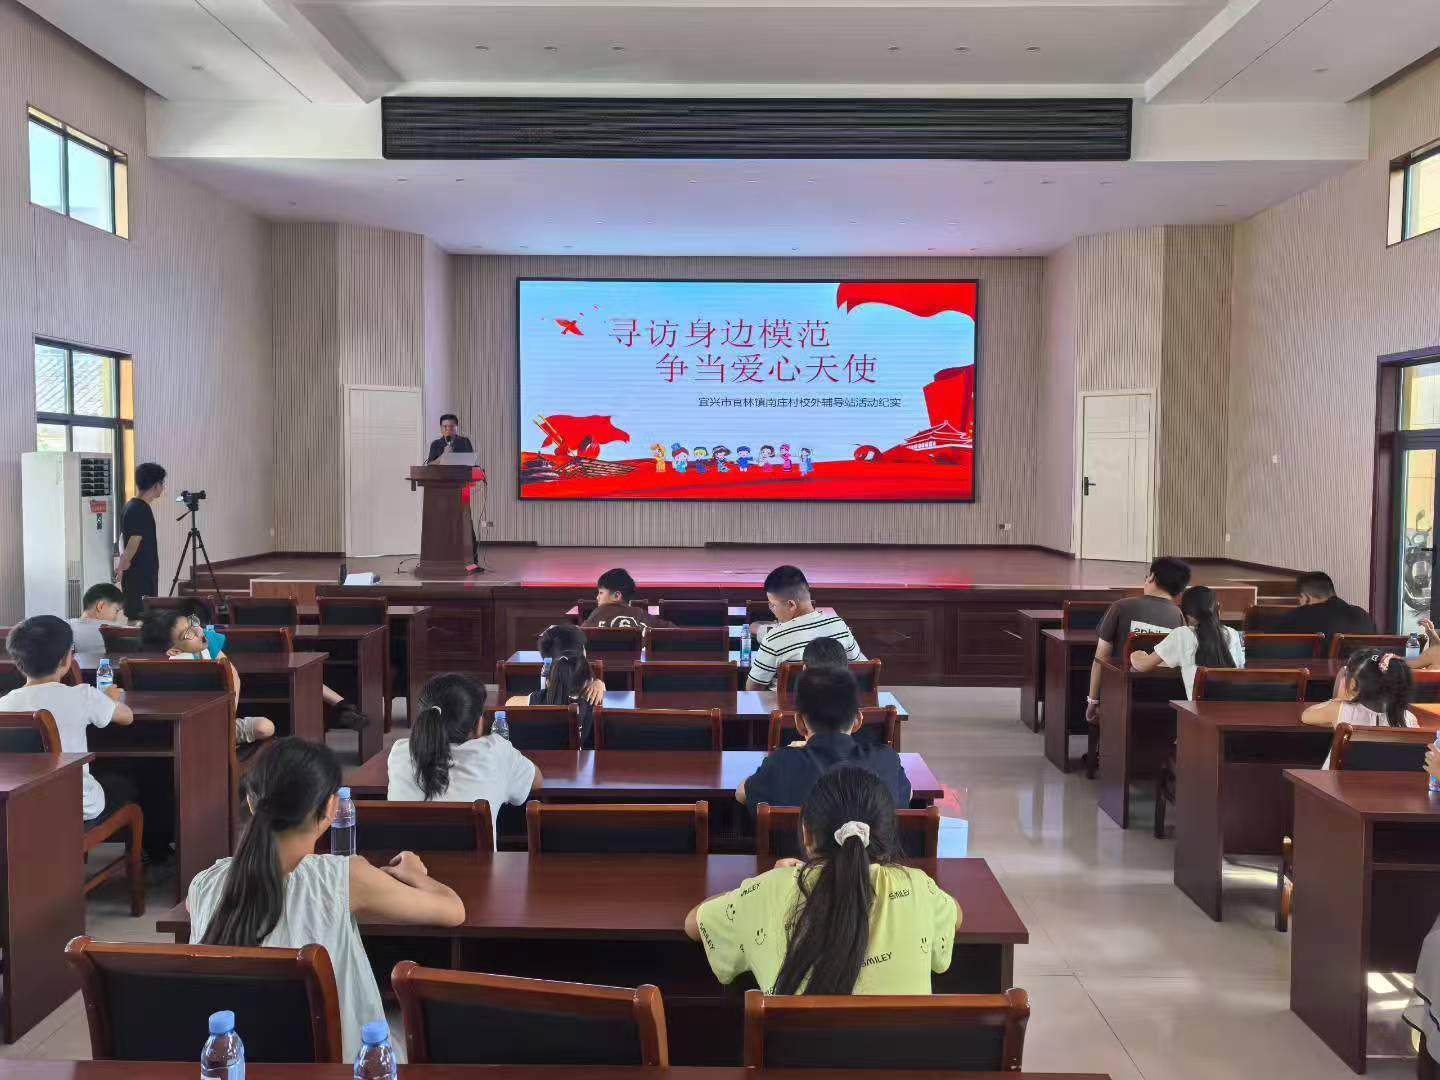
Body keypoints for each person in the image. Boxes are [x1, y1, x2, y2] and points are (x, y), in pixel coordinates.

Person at [188, 737, 465, 1062]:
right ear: (331, 809)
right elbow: (453, 911)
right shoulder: (344, 878)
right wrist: (416, 874)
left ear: (251, 802)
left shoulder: (203, 885)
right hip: (344, 1067)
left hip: (235, 1064)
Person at [685, 765, 958, 995]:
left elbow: (694, 924)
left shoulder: (767, 889)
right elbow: (955, 915)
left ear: (807, 835)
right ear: (887, 836)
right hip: (905, 1046)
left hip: (791, 1046)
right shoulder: (918, 887)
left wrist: (762, 885)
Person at [0, 616, 134, 825]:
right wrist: (108, 700)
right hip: (74, 804)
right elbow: (127, 717)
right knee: (123, 785)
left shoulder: (3, 704)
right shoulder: (82, 695)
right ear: (66, 660)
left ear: (18, 662)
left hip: (19, 806)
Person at [387, 674, 541, 842]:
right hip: (479, 861)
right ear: (479, 724)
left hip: (406, 859)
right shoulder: (496, 751)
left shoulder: (400, 752)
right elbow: (537, 781)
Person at [737, 667, 909, 809]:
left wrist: (791, 753)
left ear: (799, 722)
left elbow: (741, 794)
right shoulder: (886, 760)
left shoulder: (781, 762)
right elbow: (908, 795)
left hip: (800, 844)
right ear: (858, 721)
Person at [140, 610, 275, 745]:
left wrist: (228, 717)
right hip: (189, 729)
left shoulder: (206, 642)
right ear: (175, 651)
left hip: (218, 721)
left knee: (265, 727)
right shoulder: (176, 668)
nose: (198, 631)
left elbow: (232, 676)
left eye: (192, 623)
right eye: (188, 633)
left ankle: (220, 739)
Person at [1085, 556, 1191, 724]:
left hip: (1119, 694)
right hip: (1163, 700)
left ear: (1152, 577)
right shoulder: (1179, 617)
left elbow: (1101, 658)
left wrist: (1093, 700)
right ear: (1180, 590)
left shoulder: (1120, 607)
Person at [746, 565, 864, 691]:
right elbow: (860, 668)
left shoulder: (774, 638)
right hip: (836, 701)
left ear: (791, 605)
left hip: (787, 704)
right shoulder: (839, 625)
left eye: (773, 605)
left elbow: (753, 689)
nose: (772, 609)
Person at [1130, 585, 1246, 699]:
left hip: (1198, 710)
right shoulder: (1233, 634)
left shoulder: (1182, 634)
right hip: (1234, 707)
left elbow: (1143, 665)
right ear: (1218, 610)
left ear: (1187, 614)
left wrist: (1136, 655)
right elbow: (1239, 666)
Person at [505, 624, 605, 747]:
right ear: (583, 654)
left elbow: (509, 705)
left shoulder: (536, 699)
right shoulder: (595, 699)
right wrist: (599, 684)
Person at [1301, 650, 1417, 731]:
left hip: (1344, 762)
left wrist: (1338, 700)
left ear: (1353, 684)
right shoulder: (1408, 718)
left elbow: (1306, 716)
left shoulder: (1339, 710)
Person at [115, 462, 166, 619]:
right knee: (140, 616)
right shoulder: (139, 509)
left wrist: (123, 564)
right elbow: (133, 541)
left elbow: (123, 538)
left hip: (139, 573)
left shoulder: (132, 506)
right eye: (162, 483)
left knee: (139, 615)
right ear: (156, 485)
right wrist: (122, 566)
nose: (163, 487)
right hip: (140, 575)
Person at [1272, 572, 1376, 641]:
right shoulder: (1363, 615)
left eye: (1299, 599)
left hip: (1325, 668)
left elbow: (1272, 633)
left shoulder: (1305, 614)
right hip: (1365, 667)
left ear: (1306, 598)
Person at [581, 568, 672, 632]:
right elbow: (672, 630)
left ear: (617, 596)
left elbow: (581, 636)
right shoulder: (639, 613)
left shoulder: (598, 612)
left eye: (601, 593)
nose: (597, 597)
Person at [69, 582, 128, 668]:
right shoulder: (117, 630)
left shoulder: (64, 626)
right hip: (109, 675)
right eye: (116, 610)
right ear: (101, 606)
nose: (116, 618)